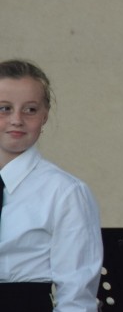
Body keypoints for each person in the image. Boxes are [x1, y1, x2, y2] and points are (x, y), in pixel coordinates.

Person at [0, 59, 102, 312]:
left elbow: (76, 297)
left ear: (44, 116)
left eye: (30, 110)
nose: (16, 120)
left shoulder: (66, 193)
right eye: (4, 108)